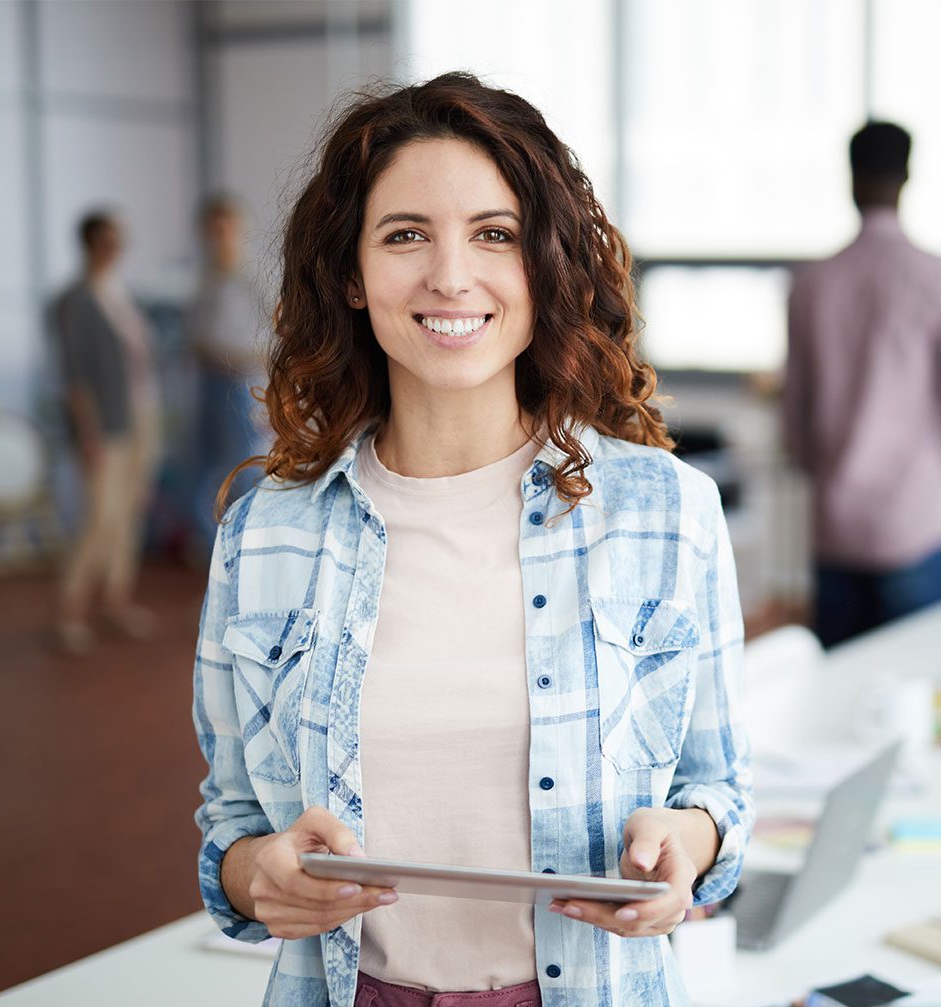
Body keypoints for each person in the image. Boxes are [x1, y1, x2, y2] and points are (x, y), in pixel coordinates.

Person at [192, 73, 752, 1007]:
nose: (451, 276)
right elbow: (233, 824)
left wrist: (684, 850)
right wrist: (259, 873)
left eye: (493, 235)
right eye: (405, 234)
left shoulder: (668, 511)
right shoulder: (264, 537)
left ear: (544, 264)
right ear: (351, 275)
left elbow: (720, 795)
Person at [784, 121, 941, 648]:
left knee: (837, 696)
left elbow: (796, 421)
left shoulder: (811, 284)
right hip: (916, 524)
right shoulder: (933, 279)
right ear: (907, 178)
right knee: (914, 702)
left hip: (837, 524)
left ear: (851, 180)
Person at [53, 211, 161, 654]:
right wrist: (89, 435)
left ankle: (117, 602)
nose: (113, 248)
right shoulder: (75, 301)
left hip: (142, 416)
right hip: (106, 424)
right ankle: (71, 612)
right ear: (87, 244)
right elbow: (75, 377)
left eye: (118, 239)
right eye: (104, 240)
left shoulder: (122, 292)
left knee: (131, 513)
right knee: (101, 518)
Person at [185, 193, 270, 548]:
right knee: (204, 471)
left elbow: (279, 335)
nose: (221, 237)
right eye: (213, 230)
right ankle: (215, 549)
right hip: (210, 384)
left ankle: (247, 547)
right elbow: (197, 340)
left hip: (243, 384)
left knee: (245, 468)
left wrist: (241, 359)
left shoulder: (256, 279)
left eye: (227, 228)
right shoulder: (205, 281)